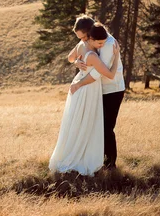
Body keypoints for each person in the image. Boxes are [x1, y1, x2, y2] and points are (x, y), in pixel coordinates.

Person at [49, 19, 120, 176]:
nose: (80, 40)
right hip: (87, 88)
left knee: (78, 122)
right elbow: (108, 73)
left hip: (81, 86)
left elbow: (71, 57)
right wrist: (115, 57)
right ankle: (82, 156)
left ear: (89, 34)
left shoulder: (90, 46)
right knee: (86, 123)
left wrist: (78, 63)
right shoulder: (91, 53)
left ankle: (80, 154)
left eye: (82, 36)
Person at [75, 21, 125, 169]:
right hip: (101, 90)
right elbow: (74, 56)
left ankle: (110, 164)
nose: (83, 40)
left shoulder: (107, 44)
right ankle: (100, 159)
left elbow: (99, 72)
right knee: (99, 126)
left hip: (112, 90)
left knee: (107, 127)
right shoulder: (94, 39)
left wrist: (80, 83)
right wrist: (77, 62)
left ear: (89, 33)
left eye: (84, 37)